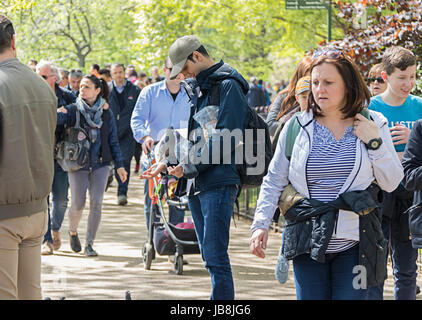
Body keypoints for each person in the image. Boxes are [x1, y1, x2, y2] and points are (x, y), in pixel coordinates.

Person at [250, 48, 403, 300]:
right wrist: (260, 225)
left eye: (328, 83)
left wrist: (374, 143)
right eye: (315, 83)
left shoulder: (374, 122)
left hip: (357, 242)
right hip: (306, 240)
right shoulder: (296, 126)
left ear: (348, 85)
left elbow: (392, 182)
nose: (319, 89)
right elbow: (274, 179)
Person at [143, 35, 250, 300]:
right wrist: (166, 162)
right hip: (198, 182)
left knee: (215, 257)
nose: (183, 75)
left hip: (218, 181)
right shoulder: (200, 88)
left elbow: (227, 138)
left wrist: (188, 166)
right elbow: (194, 138)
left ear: (197, 57)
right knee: (208, 256)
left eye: (186, 68)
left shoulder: (228, 87)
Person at [0, 15, 57, 299]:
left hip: (4, 212)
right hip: (36, 208)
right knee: (30, 293)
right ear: (13, 41)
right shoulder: (41, 86)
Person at [366, 46, 422, 300]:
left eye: (413, 76)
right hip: (378, 194)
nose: (408, 83)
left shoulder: (419, 107)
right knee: (376, 268)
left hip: (409, 196)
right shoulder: (370, 108)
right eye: (402, 77)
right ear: (386, 77)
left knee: (407, 268)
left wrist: (414, 140)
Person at [56, 75, 128, 256]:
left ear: (97, 90)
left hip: (101, 164)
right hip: (77, 164)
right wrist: (58, 114)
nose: (82, 89)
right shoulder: (73, 110)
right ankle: (72, 232)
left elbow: (113, 141)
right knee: (78, 204)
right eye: (80, 86)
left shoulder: (106, 112)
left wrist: (119, 165)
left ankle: (89, 244)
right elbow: (56, 121)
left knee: (96, 203)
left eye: (87, 86)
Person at [131, 56, 190, 230]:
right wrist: (144, 137)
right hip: (154, 153)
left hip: (181, 155)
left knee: (178, 200)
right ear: (165, 70)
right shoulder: (149, 92)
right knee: (153, 200)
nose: (177, 74)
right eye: (172, 69)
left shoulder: (192, 94)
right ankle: (155, 237)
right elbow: (137, 119)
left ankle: (175, 242)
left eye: (181, 69)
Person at [36, 60, 76, 255]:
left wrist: (55, 115)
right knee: (43, 199)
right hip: (39, 156)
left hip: (61, 156)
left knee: (60, 200)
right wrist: (55, 114)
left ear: (55, 78)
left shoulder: (68, 97)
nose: (40, 80)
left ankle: (56, 228)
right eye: (38, 76)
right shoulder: (32, 95)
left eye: (44, 76)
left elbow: (70, 117)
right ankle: (46, 239)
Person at [109, 63, 141, 205]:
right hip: (111, 132)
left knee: (125, 161)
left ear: (125, 73)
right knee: (115, 162)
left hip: (128, 132)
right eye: (115, 73)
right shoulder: (107, 90)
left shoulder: (134, 90)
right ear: (111, 75)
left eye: (120, 72)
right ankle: (113, 181)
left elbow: (140, 111)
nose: (118, 75)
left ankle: (122, 192)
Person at [266, 55, 313, 136]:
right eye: (307, 78)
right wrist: (296, 126)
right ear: (299, 76)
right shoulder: (284, 97)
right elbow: (270, 126)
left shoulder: (320, 97)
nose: (310, 82)